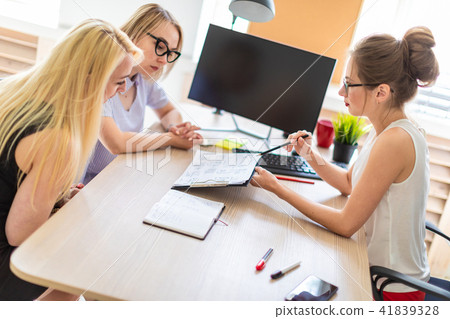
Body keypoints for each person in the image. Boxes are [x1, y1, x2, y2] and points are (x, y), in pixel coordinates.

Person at [251, 26, 439, 301]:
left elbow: (346, 224)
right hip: (373, 268)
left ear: (381, 92)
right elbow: (350, 183)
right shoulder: (383, 128)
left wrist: (277, 188)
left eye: (349, 83)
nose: (341, 92)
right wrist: (309, 154)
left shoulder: (396, 140)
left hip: (391, 289)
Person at [0, 19, 143, 301]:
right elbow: (19, 234)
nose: (124, 88)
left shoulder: (12, 90)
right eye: (117, 81)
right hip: (8, 259)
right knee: (93, 262)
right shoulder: (57, 138)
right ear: (90, 80)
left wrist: (56, 197)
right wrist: (68, 213)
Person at [82, 3, 202, 184]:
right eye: (160, 46)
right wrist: (171, 139)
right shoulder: (103, 78)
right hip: (91, 185)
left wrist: (175, 128)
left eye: (170, 53)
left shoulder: (143, 78)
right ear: (136, 32)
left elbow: (169, 111)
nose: (163, 60)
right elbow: (116, 143)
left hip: (121, 175)